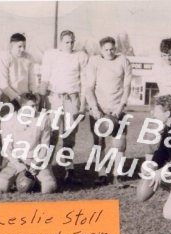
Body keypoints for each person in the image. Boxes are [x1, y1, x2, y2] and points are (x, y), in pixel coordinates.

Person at [40, 30, 88, 184]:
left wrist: (82, 106)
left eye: (72, 41)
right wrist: (42, 101)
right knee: (51, 134)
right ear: (61, 42)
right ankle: (46, 168)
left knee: (69, 137)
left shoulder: (80, 56)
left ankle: (69, 169)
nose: (70, 44)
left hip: (72, 98)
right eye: (67, 42)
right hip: (55, 98)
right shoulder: (51, 54)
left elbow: (85, 82)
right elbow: (45, 78)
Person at [85, 36, 131, 186]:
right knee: (99, 143)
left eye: (112, 49)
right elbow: (89, 87)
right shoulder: (94, 61)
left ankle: (118, 174)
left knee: (120, 143)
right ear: (101, 50)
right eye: (106, 50)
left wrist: (120, 107)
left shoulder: (123, 60)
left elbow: (127, 86)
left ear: (115, 48)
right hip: (99, 108)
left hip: (117, 108)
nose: (109, 52)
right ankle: (102, 173)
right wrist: (94, 108)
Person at [0, 33, 38, 179]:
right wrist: (18, 99)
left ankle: (23, 168)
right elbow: (3, 84)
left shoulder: (28, 58)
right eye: (19, 46)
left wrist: (34, 97)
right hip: (8, 98)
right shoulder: (3, 56)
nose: (22, 49)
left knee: (25, 134)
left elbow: (32, 81)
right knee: (3, 135)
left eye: (24, 46)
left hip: (25, 100)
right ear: (11, 45)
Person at [0, 93, 57, 194]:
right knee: (0, 188)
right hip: (16, 161)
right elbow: (7, 149)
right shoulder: (8, 119)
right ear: (23, 106)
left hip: (36, 160)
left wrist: (37, 164)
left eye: (36, 105)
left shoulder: (44, 119)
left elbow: (45, 146)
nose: (36, 108)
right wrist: (17, 164)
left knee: (49, 188)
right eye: (32, 106)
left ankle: (36, 179)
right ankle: (18, 178)